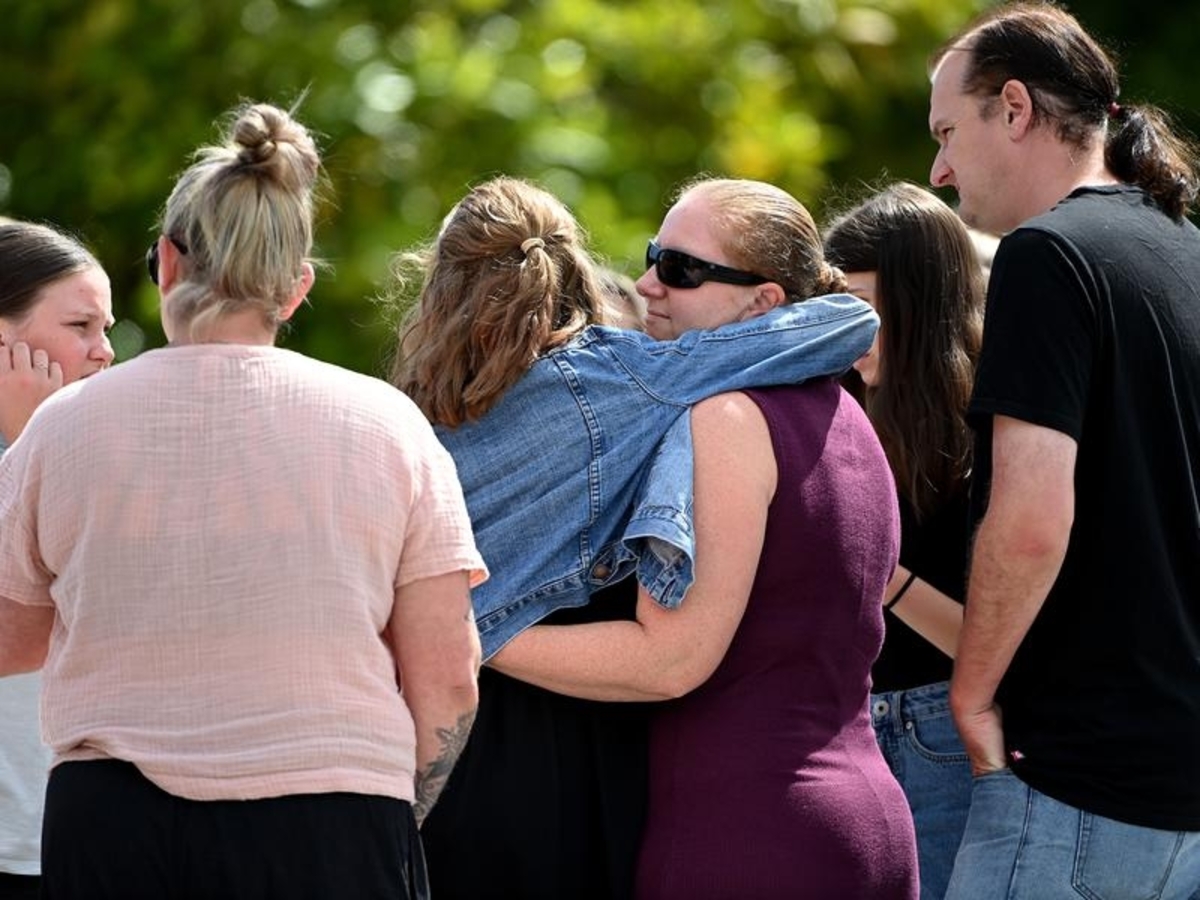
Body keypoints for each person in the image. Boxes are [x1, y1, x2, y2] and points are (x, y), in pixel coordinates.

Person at [0, 102, 486, 900]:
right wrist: (388, 812)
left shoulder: (62, 426)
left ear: (166, 262)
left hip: (116, 825)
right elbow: (448, 677)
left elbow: (12, 636)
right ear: (295, 289)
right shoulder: (389, 425)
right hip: (332, 818)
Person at [390, 175, 885, 899]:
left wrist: (460, 628)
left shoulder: (715, 420)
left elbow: (671, 659)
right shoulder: (847, 419)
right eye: (654, 257)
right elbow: (843, 323)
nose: (650, 282)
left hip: (735, 827)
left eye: (680, 269)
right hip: (853, 805)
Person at [926, 4, 1200, 897]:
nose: (938, 171)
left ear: (1014, 108)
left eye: (946, 133)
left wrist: (970, 694)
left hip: (1076, 781)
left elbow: (1032, 520)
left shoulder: (1047, 256)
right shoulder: (1186, 248)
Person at [823, 181, 985, 900]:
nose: (843, 335)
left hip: (941, 730)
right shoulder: (840, 406)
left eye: (860, 309)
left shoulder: (990, 431)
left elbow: (988, 641)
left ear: (919, 307)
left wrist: (880, 572)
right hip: (845, 725)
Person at [0, 219, 114, 900]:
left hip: (71, 837)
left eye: (106, 328)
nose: (105, 351)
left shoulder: (109, 454)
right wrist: (28, 448)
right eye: (81, 327)